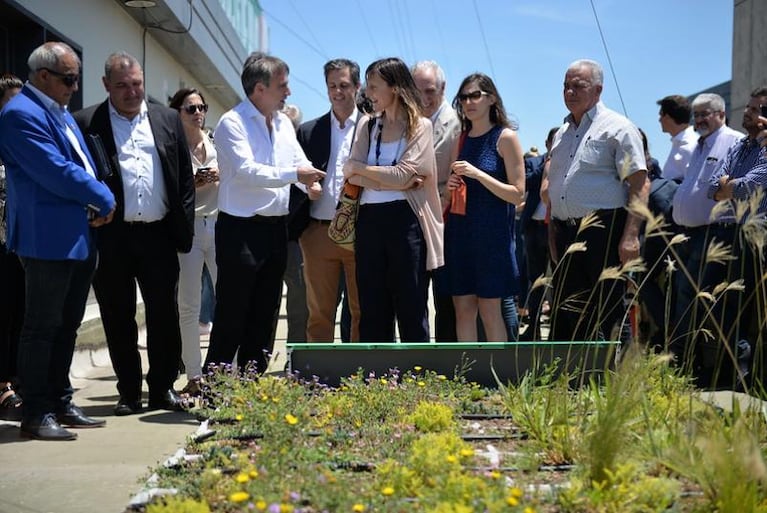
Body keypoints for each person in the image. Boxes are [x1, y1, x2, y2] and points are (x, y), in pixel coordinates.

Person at [0, 42, 116, 440]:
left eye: (76, 77)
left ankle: (60, 400)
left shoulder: (58, 111)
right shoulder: (19, 114)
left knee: (67, 327)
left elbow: (78, 162)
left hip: (78, 235)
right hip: (46, 238)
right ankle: (35, 412)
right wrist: (102, 195)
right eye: (68, 78)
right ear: (43, 76)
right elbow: (56, 170)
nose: (74, 85)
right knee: (41, 327)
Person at [74, 52, 195, 416]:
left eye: (137, 84)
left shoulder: (167, 119)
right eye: (123, 85)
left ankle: (161, 389)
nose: (131, 92)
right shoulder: (86, 122)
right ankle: (127, 390)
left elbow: (184, 180)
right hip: (111, 235)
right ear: (106, 85)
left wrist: (182, 228)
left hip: (158, 234)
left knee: (163, 315)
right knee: (117, 314)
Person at [204, 52, 324, 374]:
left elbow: (299, 163)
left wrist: (311, 185)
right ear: (260, 89)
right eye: (282, 85)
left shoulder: (284, 123)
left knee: (265, 313)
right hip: (239, 231)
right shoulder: (232, 122)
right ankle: (214, 392)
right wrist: (297, 176)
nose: (288, 92)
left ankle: (250, 388)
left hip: (275, 231)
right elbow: (247, 171)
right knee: (232, 314)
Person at [542, 59, 649, 342]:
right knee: (569, 309)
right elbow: (556, 187)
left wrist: (630, 236)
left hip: (604, 230)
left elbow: (639, 184)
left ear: (598, 90)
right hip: (565, 231)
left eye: (578, 86)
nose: (569, 92)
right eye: (566, 86)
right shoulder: (561, 135)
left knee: (608, 309)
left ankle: (614, 379)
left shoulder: (618, 128)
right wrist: (552, 231)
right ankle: (575, 378)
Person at [342, 57, 443, 342]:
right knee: (372, 305)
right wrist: (391, 176)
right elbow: (352, 174)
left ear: (395, 88)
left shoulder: (419, 126)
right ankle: (378, 377)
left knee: (411, 302)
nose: (368, 93)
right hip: (369, 221)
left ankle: (416, 375)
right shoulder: (367, 126)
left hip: (407, 221)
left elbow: (403, 175)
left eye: (374, 86)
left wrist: (365, 172)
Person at [444, 73, 525, 342]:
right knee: (463, 309)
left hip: (492, 237)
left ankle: (497, 378)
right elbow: (452, 191)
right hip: (461, 232)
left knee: (491, 309)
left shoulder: (505, 137)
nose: (469, 102)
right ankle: (469, 378)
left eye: (475, 95)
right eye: (464, 97)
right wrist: (453, 184)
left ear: (491, 98)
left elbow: (517, 194)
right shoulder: (462, 139)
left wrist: (478, 174)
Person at [702, 86, 767, 389]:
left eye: (757, 109)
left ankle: (757, 380)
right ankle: (731, 376)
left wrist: (730, 185)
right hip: (738, 236)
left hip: (761, 235)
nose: (749, 113)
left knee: (759, 310)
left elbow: (750, 186)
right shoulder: (739, 147)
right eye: (750, 107)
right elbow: (712, 188)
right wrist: (730, 185)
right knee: (731, 307)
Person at [669, 93, 741, 366]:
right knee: (684, 292)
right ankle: (687, 357)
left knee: (697, 295)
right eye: (696, 115)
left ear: (721, 114)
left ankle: (692, 360)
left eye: (705, 114)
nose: (699, 120)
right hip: (690, 232)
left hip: (715, 232)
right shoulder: (699, 144)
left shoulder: (733, 141)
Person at [297, 59, 362, 342]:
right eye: (332, 86)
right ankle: (318, 378)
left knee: (362, 311)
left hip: (361, 232)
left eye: (344, 85)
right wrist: (306, 188)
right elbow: (294, 178)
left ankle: (361, 378)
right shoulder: (309, 130)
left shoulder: (374, 128)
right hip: (318, 231)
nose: (338, 91)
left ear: (357, 87)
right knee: (320, 312)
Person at [168, 87, 218, 396]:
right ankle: (194, 375)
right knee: (188, 305)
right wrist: (194, 181)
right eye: (190, 109)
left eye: (202, 107)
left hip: (218, 224)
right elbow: (170, 188)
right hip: (189, 229)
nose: (198, 113)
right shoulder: (173, 147)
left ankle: (229, 371)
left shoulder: (215, 142)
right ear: (178, 113)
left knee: (228, 300)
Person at [411, 60, 461, 342]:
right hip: (410, 218)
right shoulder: (404, 121)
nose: (423, 98)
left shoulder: (457, 124)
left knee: (446, 297)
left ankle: (446, 358)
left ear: (443, 88)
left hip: (447, 219)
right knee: (414, 294)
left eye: (429, 91)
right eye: (417, 91)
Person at [518, 127, 558, 341]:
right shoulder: (535, 162)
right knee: (535, 280)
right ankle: (532, 326)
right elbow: (525, 181)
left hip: (558, 228)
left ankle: (556, 330)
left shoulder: (569, 164)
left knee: (559, 280)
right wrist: (547, 165)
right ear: (547, 143)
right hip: (535, 228)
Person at [0, 73, 24, 419]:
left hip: (22, 244)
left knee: (20, 314)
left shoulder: (23, 144)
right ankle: (3, 386)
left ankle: (15, 382)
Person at [282, 103, 310, 343]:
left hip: (296, 236)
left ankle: (296, 353)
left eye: (289, 125)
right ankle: (256, 364)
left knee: (299, 298)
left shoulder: (303, 153)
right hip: (264, 230)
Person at [657, 95, 697, 182]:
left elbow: (695, 185)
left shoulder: (689, 146)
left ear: (667, 117)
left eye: (661, 115)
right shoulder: (680, 143)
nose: (659, 120)